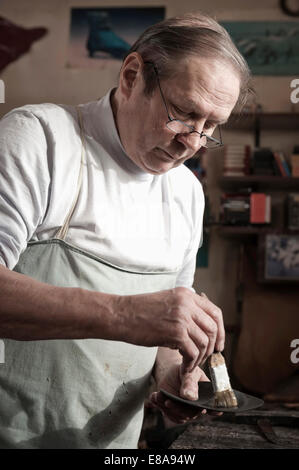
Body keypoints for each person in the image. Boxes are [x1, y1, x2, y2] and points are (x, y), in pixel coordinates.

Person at [0, 11, 251, 448]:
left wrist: (173, 378)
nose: (193, 142)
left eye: (211, 127)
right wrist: (126, 314)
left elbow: (164, 336)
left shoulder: (188, 195)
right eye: (184, 113)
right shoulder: (40, 139)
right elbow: (141, 317)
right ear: (133, 76)